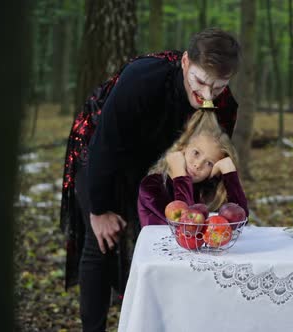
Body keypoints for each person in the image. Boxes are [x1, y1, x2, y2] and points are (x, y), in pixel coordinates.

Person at [59, 28, 241, 332]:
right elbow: (106, 145)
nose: (207, 96)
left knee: (167, 239)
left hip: (158, 162)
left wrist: (193, 205)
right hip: (101, 151)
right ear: (185, 62)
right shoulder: (142, 78)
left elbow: (209, 161)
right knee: (101, 241)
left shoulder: (223, 106)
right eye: (200, 82)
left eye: (219, 87)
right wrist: (100, 209)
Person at [138, 109, 248, 227]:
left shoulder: (206, 190)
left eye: (209, 163)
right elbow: (185, 226)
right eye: (196, 153)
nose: (198, 165)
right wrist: (180, 175)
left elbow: (240, 223)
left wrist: (230, 174)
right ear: (184, 147)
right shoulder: (151, 185)